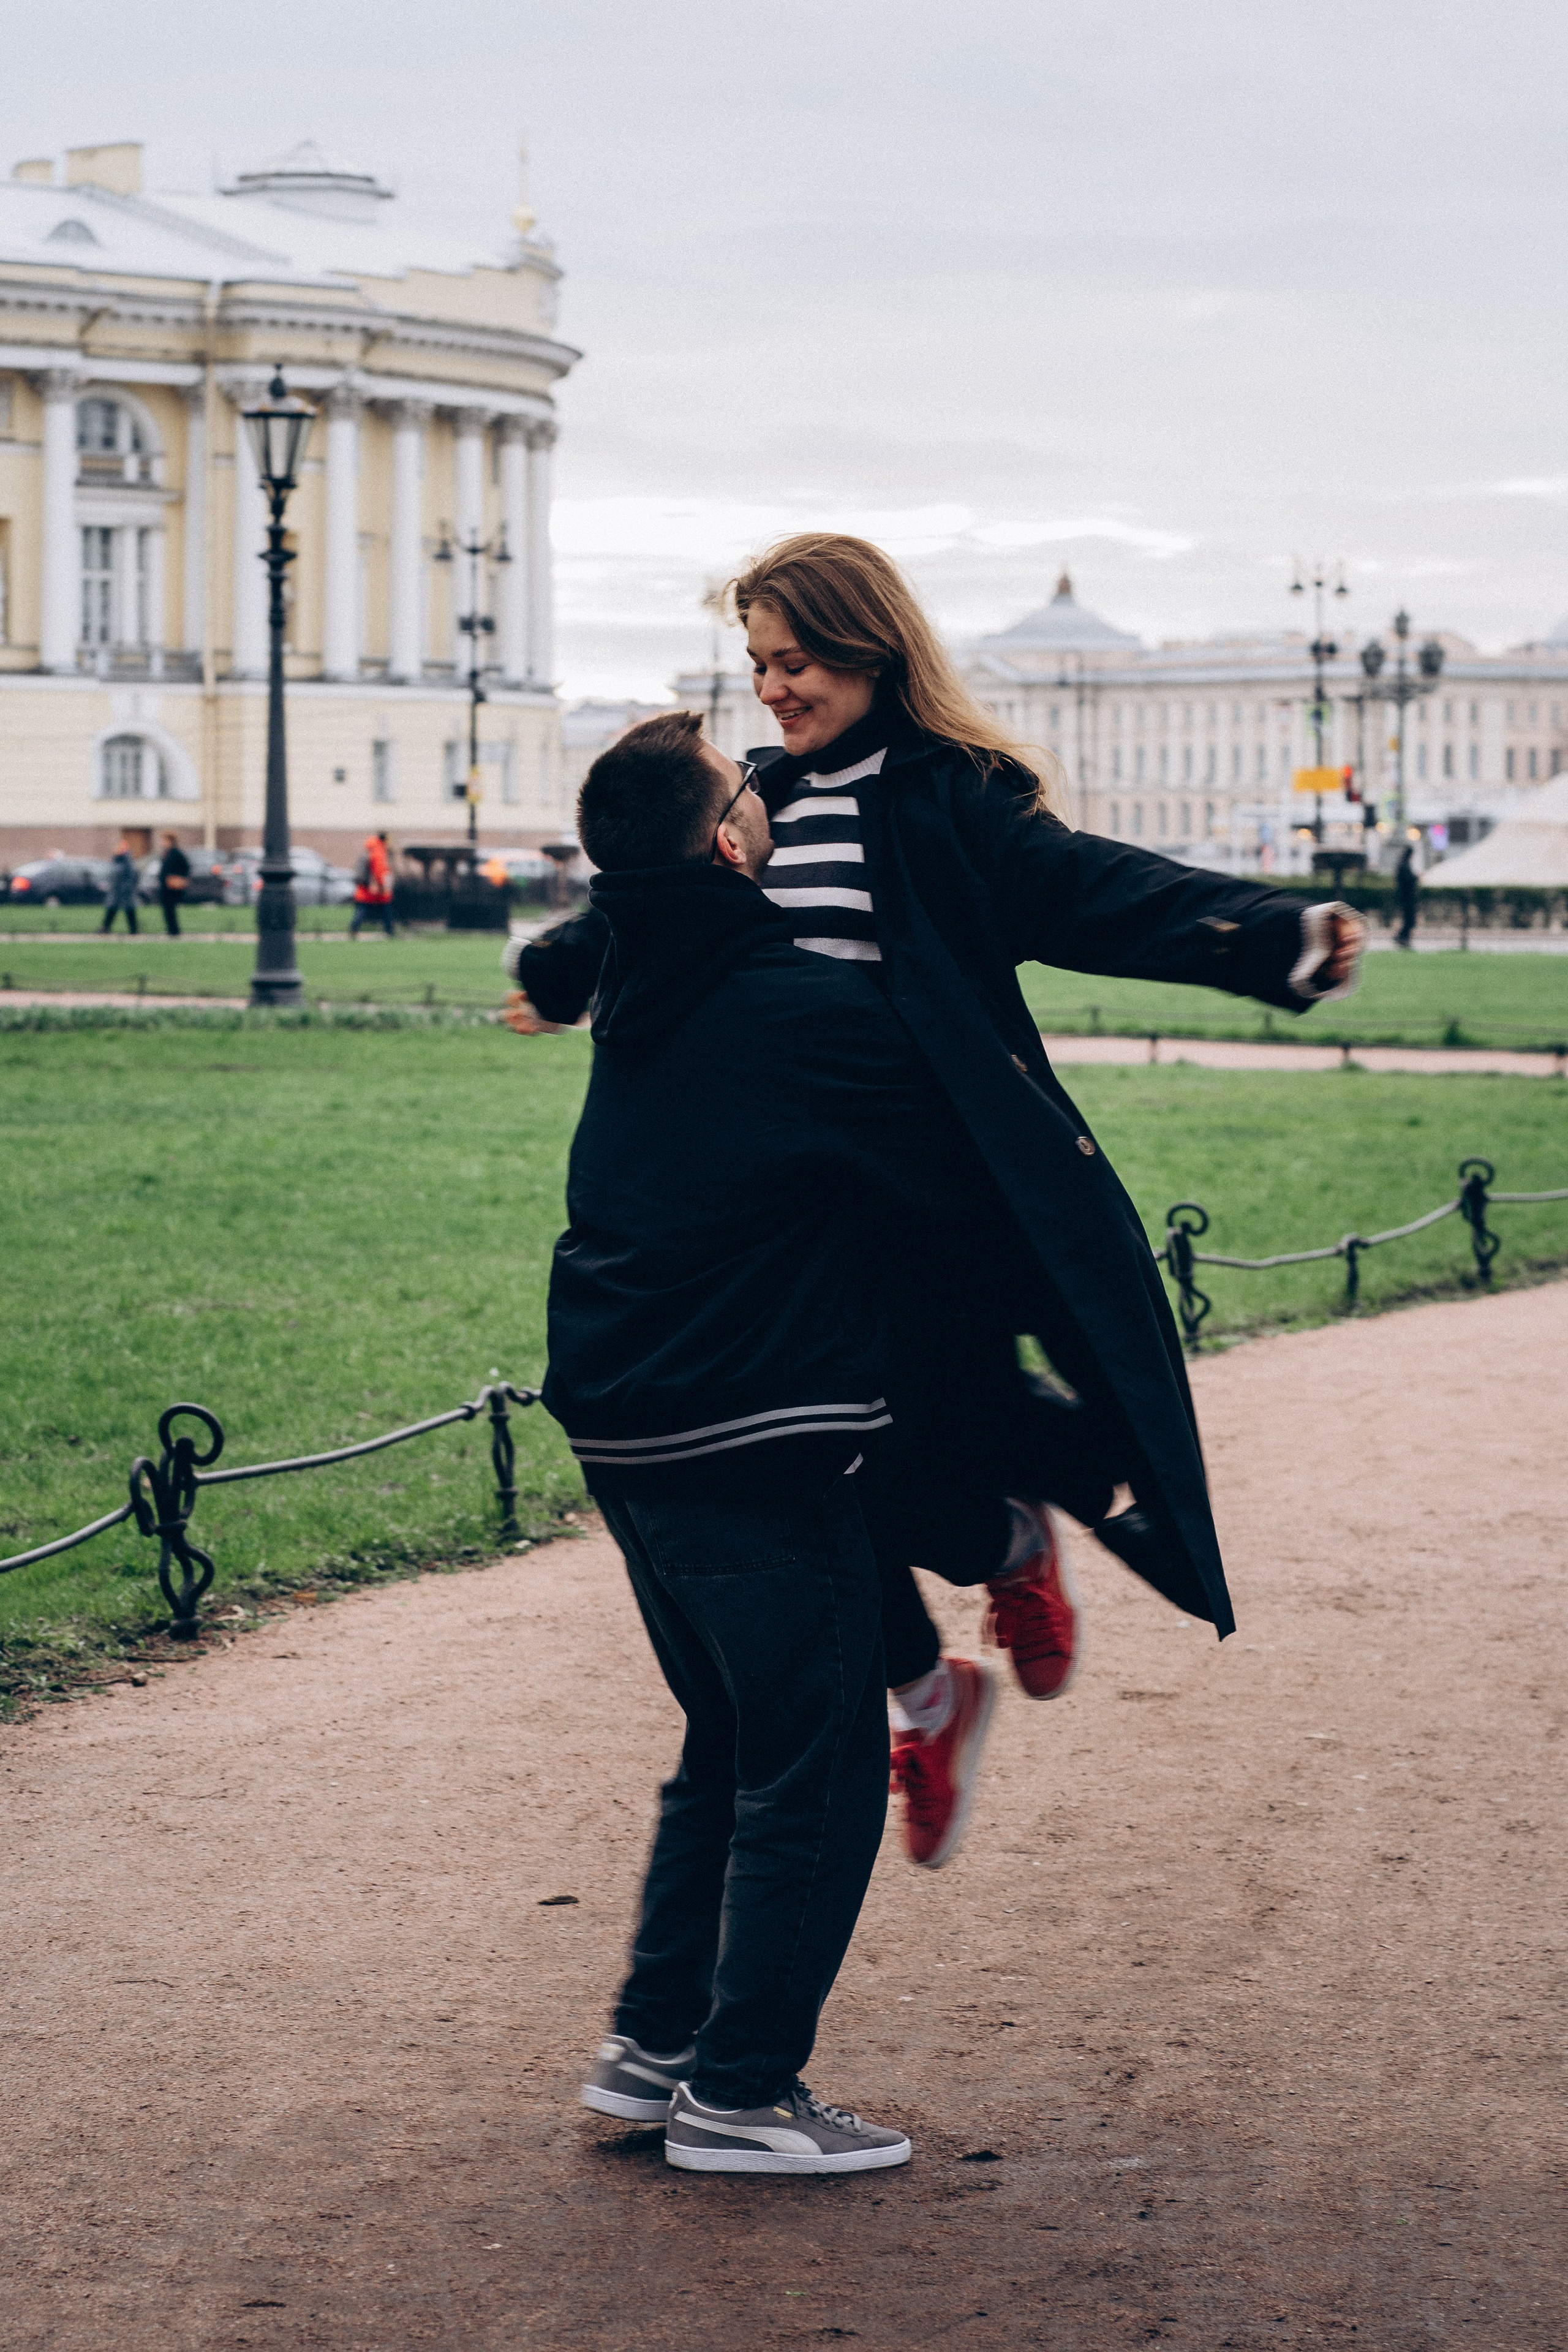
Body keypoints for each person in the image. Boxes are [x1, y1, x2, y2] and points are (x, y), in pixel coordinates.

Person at [510, 535, 1365, 1845]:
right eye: (759, 664)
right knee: (816, 1466)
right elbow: (651, 904)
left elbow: (1090, 892)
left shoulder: (949, 800)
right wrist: (561, 974)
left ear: (868, 647)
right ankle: (927, 1693)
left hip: (933, 1189)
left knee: (932, 1450)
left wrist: (1269, 937)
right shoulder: (762, 799)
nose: (775, 688)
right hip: (791, 1214)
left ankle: (1006, 1553)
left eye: (793, 660)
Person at [557, 711, 1039, 2172]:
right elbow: (954, 1186)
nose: (760, 786)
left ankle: (652, 2051)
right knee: (819, 1759)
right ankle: (742, 2092)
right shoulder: (789, 1000)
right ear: (724, 843)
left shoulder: (640, 976)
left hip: (623, 1421)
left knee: (731, 1742)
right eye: (736, 784)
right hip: (746, 1430)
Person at [350, 831, 395, 937]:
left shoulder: (370, 850)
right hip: (376, 889)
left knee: (363, 909)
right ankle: (390, 931)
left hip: (365, 888)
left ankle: (353, 929)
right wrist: (383, 885)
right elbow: (380, 871)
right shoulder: (379, 852)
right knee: (385, 909)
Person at [100, 835, 140, 934]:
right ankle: (106, 927)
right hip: (116, 890)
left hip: (125, 891)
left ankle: (134, 929)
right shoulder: (116, 860)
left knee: (129, 910)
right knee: (112, 909)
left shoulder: (127, 862)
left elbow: (132, 876)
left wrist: (126, 888)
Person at [157, 831, 190, 937]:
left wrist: (178, 877)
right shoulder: (167, 852)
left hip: (172, 886)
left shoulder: (176, 853)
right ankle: (171, 929)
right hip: (165, 885)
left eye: (165, 840)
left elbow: (186, 867)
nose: (163, 842)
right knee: (167, 908)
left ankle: (174, 931)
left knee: (170, 907)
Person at [1395, 837, 1420, 948]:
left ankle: (1403, 937)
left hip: (1406, 896)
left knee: (1409, 919)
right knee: (1409, 919)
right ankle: (1402, 937)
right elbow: (1408, 879)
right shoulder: (1404, 865)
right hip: (1407, 897)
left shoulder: (1403, 864)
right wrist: (1417, 877)